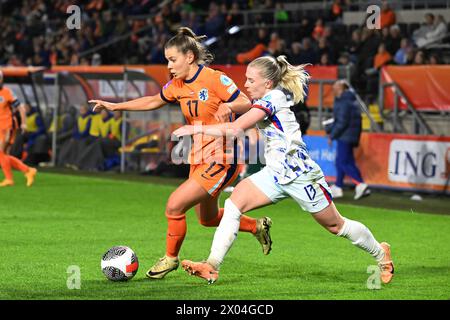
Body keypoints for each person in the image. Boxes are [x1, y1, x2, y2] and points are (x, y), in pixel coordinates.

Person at [174, 55, 394, 285]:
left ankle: (382, 255)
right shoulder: (267, 98)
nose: (246, 84)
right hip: (275, 173)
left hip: (300, 175)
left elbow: (236, 127)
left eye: (250, 80)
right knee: (233, 203)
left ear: (267, 83)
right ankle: (212, 266)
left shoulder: (273, 99)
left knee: (336, 225)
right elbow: (245, 117)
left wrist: (193, 129)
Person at [89, 27, 273, 279]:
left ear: (189, 57)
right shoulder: (177, 85)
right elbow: (154, 100)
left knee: (174, 206)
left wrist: (229, 105)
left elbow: (246, 102)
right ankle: (256, 226)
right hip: (198, 158)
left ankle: (170, 259)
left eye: (172, 59)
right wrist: (115, 105)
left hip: (221, 158)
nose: (169, 65)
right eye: (167, 60)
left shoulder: (214, 79)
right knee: (207, 219)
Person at [327, 80, 370, 200]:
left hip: (345, 135)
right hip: (351, 134)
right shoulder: (350, 99)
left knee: (342, 162)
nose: (333, 90)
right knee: (346, 161)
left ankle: (360, 184)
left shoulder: (344, 101)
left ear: (341, 88)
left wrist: (332, 135)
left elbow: (342, 121)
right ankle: (338, 186)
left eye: (335, 87)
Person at [0, 70, 37, 187]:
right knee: (3, 155)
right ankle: (28, 170)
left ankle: (10, 179)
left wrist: (24, 123)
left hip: (8, 126)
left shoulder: (7, 92)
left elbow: (20, 108)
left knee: (1, 153)